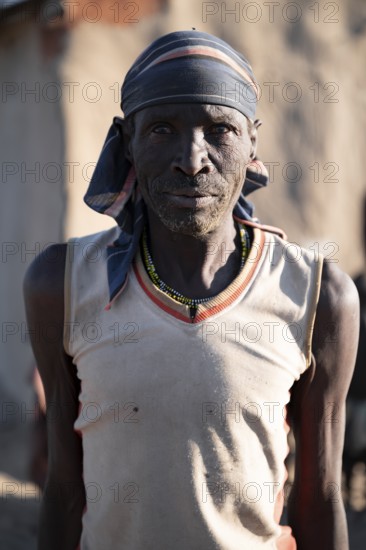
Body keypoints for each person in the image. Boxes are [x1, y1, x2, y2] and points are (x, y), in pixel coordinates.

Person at [24, 31, 359, 550]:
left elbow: (321, 496)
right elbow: (65, 488)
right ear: (127, 141)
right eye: (162, 128)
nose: (192, 158)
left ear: (253, 143)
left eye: (220, 129)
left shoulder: (318, 296)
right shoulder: (61, 284)